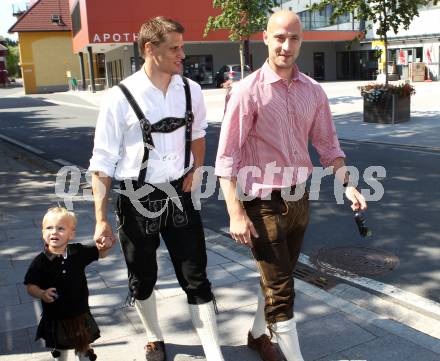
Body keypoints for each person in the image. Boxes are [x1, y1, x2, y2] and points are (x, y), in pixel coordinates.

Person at [215, 10, 367, 361]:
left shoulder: (313, 91)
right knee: (283, 290)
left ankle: (256, 335)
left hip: (299, 199)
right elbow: (227, 158)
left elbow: (328, 146)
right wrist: (235, 213)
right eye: (279, 37)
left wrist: (348, 185)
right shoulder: (246, 92)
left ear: (301, 41)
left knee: (277, 275)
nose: (286, 45)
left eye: (294, 38)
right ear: (265, 38)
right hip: (262, 202)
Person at [89, 16, 224, 361]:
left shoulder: (190, 90)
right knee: (143, 275)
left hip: (179, 194)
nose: (183, 54)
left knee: (196, 275)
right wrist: (100, 219)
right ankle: (154, 337)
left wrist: (196, 168)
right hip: (136, 197)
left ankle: (213, 353)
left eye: (183, 47)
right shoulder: (119, 97)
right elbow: (102, 162)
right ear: (150, 49)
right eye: (175, 48)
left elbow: (197, 135)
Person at [24, 207, 112, 361]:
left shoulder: (78, 252)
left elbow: (101, 253)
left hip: (80, 312)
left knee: (83, 345)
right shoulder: (41, 261)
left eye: (60, 228)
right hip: (56, 316)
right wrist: (42, 294)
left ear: (71, 234)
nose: (54, 232)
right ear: (43, 233)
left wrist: (105, 246)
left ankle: (85, 355)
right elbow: (30, 286)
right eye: (49, 228)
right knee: (60, 350)